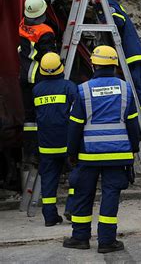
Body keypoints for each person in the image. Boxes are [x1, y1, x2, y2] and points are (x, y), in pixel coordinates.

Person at [63, 45, 140, 253]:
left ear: (93, 63)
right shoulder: (125, 89)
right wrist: (132, 151)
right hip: (118, 154)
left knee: (82, 195)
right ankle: (107, 241)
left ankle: (80, 237)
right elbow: (132, 124)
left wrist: (71, 153)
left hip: (88, 154)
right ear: (115, 64)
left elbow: (75, 124)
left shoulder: (83, 90)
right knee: (111, 196)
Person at [95, 0, 141, 137]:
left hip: (130, 56)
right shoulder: (112, 3)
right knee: (140, 88)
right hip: (134, 54)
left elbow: (117, 21)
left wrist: (102, 17)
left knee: (137, 88)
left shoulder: (107, 5)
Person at [18, 0, 65, 165]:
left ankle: (29, 153)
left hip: (24, 75)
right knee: (44, 116)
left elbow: (38, 6)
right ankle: (45, 153)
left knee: (29, 119)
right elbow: (49, 59)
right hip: (38, 78)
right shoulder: (45, 32)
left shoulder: (23, 23)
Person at [33, 52, 77, 226]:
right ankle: (72, 208)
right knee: (76, 177)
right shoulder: (69, 87)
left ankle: (49, 216)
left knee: (49, 181)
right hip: (67, 143)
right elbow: (77, 114)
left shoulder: (37, 90)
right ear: (61, 68)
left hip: (46, 145)